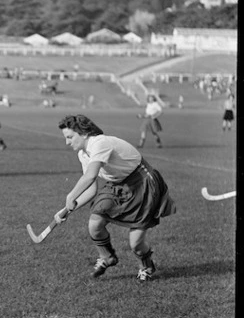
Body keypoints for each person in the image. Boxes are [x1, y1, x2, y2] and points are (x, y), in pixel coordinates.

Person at [56, 115, 176, 281]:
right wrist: (68, 208)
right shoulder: (83, 154)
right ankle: (107, 257)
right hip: (117, 185)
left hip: (142, 183)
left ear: (83, 134)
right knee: (94, 224)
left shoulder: (99, 143)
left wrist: (70, 195)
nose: (67, 143)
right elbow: (91, 190)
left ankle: (147, 265)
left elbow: (90, 176)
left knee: (136, 244)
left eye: (70, 137)